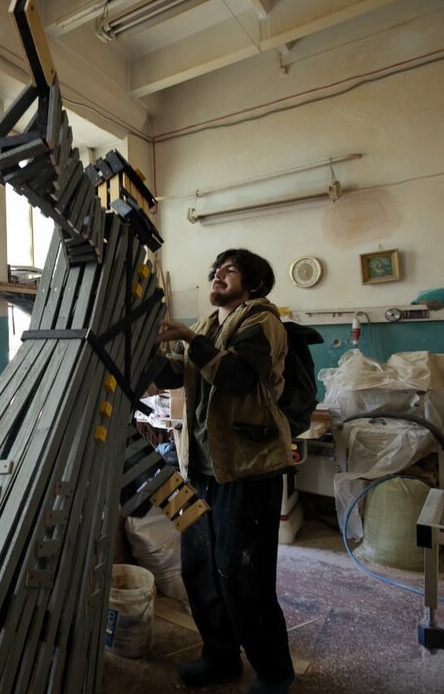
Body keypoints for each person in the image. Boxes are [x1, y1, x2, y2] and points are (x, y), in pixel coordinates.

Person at [152, 249, 295, 694]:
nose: (217, 276)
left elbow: (235, 378)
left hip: (248, 470)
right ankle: (220, 656)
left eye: (229, 271)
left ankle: (274, 671)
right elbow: (174, 375)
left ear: (254, 284)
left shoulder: (262, 323)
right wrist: (143, 347)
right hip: (200, 468)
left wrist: (188, 339)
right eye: (216, 270)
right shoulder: (206, 326)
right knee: (199, 568)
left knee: (244, 575)